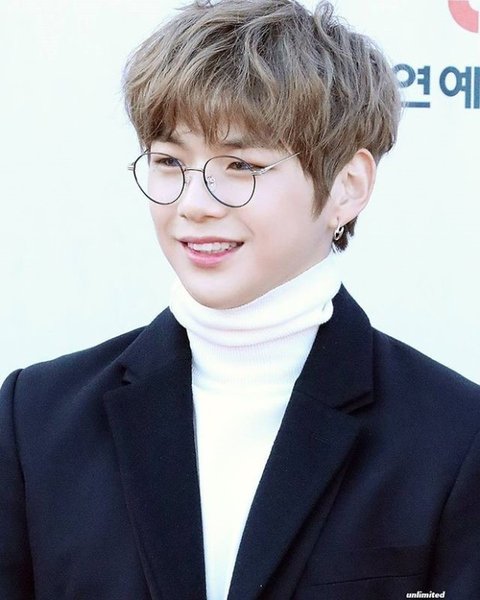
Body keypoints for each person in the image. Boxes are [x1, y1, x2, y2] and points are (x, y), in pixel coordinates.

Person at [1, 0, 479, 598]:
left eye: (241, 165)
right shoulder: (36, 418)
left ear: (347, 186)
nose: (194, 203)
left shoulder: (455, 437)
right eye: (169, 161)